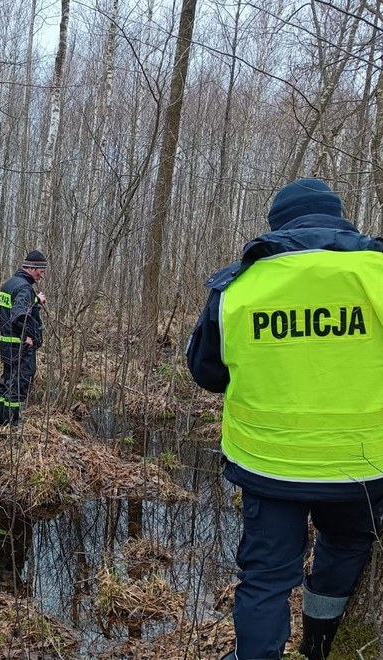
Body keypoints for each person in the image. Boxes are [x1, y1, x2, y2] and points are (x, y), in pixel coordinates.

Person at [186, 178, 383, 660]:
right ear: (340, 218)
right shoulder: (377, 273)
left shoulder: (240, 284)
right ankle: (318, 648)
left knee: (266, 578)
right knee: (342, 552)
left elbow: (206, 371)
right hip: (361, 467)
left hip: (269, 465)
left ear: (278, 226)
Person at [0, 250, 47, 426]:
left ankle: (1, 423)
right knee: (18, 386)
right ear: (32, 268)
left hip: (7, 345)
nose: (42, 275)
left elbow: (14, 308)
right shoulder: (24, 288)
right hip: (20, 347)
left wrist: (35, 300)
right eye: (41, 271)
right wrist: (29, 336)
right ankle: (12, 426)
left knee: (6, 382)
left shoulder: (9, 284)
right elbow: (19, 315)